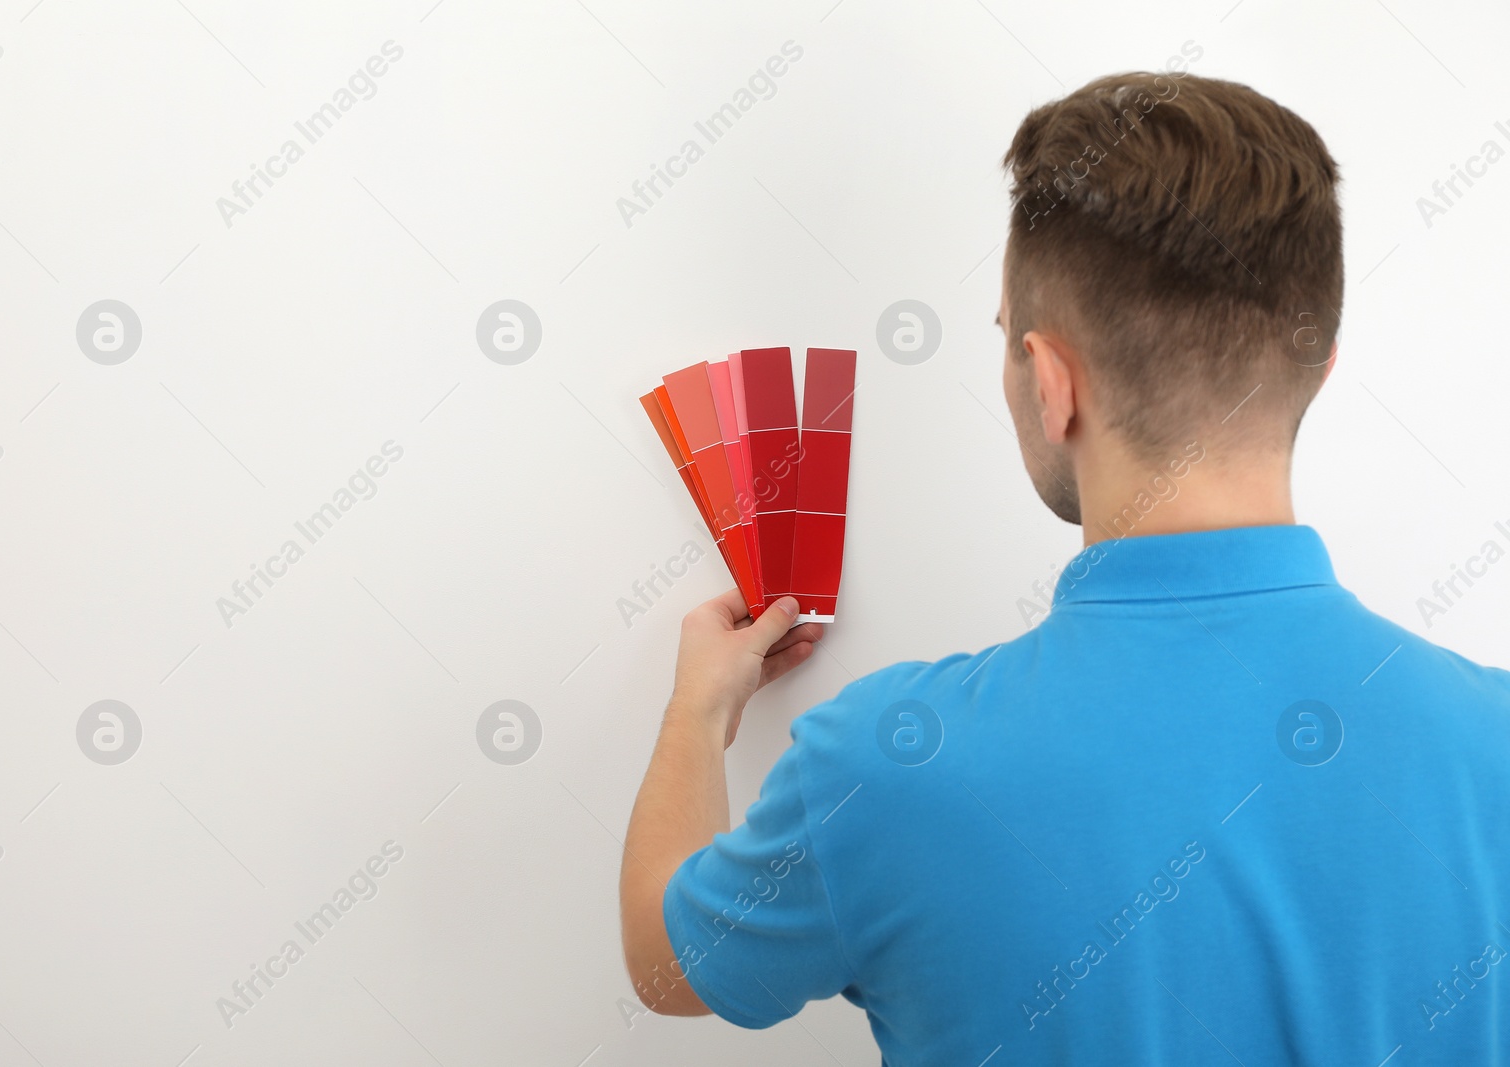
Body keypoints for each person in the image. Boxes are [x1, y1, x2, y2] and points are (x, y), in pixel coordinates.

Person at [619, 70, 1510, 1065]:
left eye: (1006, 340)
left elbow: (667, 965)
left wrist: (697, 713)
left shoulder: (876, 767)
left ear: (1052, 382)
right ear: (1320, 366)